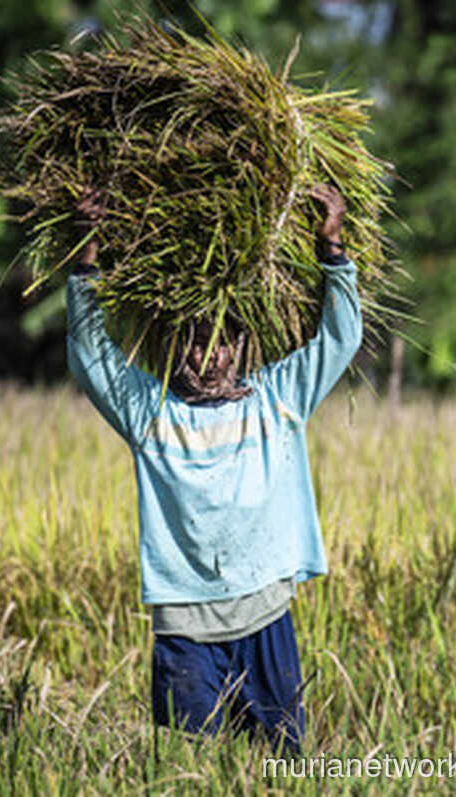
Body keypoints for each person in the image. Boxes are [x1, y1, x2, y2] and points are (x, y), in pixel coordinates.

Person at [66, 184, 361, 751]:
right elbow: (89, 353)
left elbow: (341, 337)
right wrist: (89, 247)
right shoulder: (149, 413)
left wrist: (332, 248)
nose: (208, 357)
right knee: (191, 768)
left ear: (242, 345)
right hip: (185, 632)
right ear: (171, 346)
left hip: (265, 617)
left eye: (222, 343)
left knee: (281, 763)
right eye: (194, 343)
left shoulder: (277, 400)